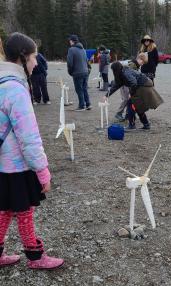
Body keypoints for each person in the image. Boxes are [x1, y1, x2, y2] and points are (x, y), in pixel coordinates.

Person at [0, 32, 64, 269]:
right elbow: (28, 138)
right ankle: (36, 257)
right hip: (17, 165)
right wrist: (43, 171)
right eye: (34, 57)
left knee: (5, 210)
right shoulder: (16, 90)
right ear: (23, 57)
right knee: (24, 212)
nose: (36, 63)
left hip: (1, 165)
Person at [107, 61, 163, 130]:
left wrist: (132, 94)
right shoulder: (122, 72)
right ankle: (146, 124)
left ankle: (132, 125)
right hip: (141, 86)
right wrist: (107, 95)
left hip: (142, 87)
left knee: (131, 105)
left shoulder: (126, 73)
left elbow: (134, 83)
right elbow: (116, 85)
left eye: (113, 70)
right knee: (138, 107)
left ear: (116, 69)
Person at [114, 53, 148, 121]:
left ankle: (128, 114)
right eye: (142, 62)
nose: (142, 64)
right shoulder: (132, 65)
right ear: (139, 59)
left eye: (144, 63)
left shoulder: (136, 65)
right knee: (126, 99)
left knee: (130, 100)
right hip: (124, 84)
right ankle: (118, 113)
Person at [67, 34, 92, 111]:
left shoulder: (71, 50)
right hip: (85, 72)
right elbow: (87, 61)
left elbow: (70, 63)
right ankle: (88, 104)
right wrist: (88, 70)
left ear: (72, 41)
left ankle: (81, 106)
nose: (69, 42)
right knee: (84, 89)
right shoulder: (83, 49)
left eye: (70, 40)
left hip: (77, 73)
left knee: (79, 89)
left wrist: (70, 72)